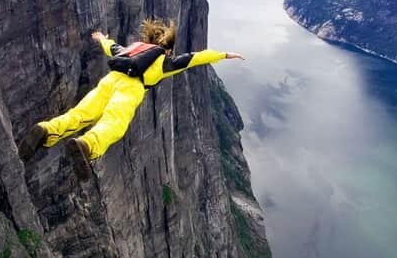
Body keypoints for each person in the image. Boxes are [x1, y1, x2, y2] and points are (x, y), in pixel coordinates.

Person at [19, 19, 244, 179]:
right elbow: (195, 58)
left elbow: (112, 47)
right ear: (167, 49)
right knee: (113, 124)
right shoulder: (164, 62)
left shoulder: (132, 50)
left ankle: (45, 130)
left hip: (109, 81)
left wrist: (101, 38)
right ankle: (87, 145)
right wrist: (224, 55)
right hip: (130, 89)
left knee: (79, 115)